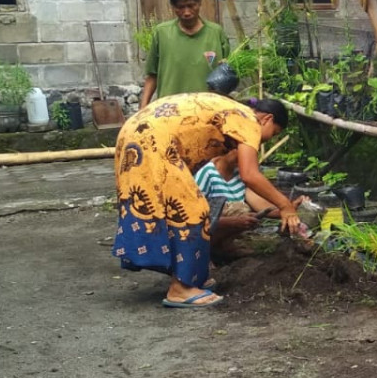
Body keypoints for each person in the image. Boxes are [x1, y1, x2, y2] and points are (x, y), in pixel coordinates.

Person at [113, 93, 301, 308]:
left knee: (167, 208)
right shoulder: (248, 120)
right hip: (151, 140)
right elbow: (250, 174)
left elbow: (248, 184)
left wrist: (279, 207)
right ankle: (180, 289)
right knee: (191, 209)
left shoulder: (233, 113)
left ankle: (190, 277)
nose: (267, 140)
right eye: (273, 133)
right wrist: (286, 206)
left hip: (137, 133)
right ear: (266, 119)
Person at [195, 149, 305, 259]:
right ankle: (208, 254)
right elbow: (194, 219)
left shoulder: (240, 173)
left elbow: (260, 204)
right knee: (239, 209)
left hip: (222, 233)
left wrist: (287, 208)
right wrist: (232, 222)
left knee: (241, 210)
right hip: (201, 235)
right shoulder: (206, 173)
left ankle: (224, 249)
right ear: (227, 148)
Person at [139, 0, 230, 108]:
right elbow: (152, 75)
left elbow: (228, 72)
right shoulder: (162, 33)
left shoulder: (216, 33)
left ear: (200, 3)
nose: (186, 12)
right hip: (170, 110)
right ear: (172, 6)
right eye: (180, 7)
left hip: (207, 111)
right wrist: (143, 108)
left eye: (191, 5)